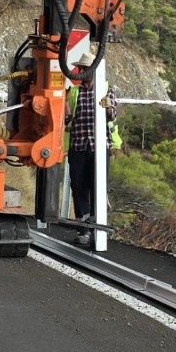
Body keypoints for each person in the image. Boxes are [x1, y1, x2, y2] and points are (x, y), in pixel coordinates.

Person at [66, 51, 121, 243]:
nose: (81, 72)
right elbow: (67, 120)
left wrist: (108, 108)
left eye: (84, 69)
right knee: (78, 186)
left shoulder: (106, 89)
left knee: (97, 187)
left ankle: (97, 228)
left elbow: (113, 115)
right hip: (79, 146)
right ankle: (83, 230)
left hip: (99, 147)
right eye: (80, 69)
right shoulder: (74, 92)